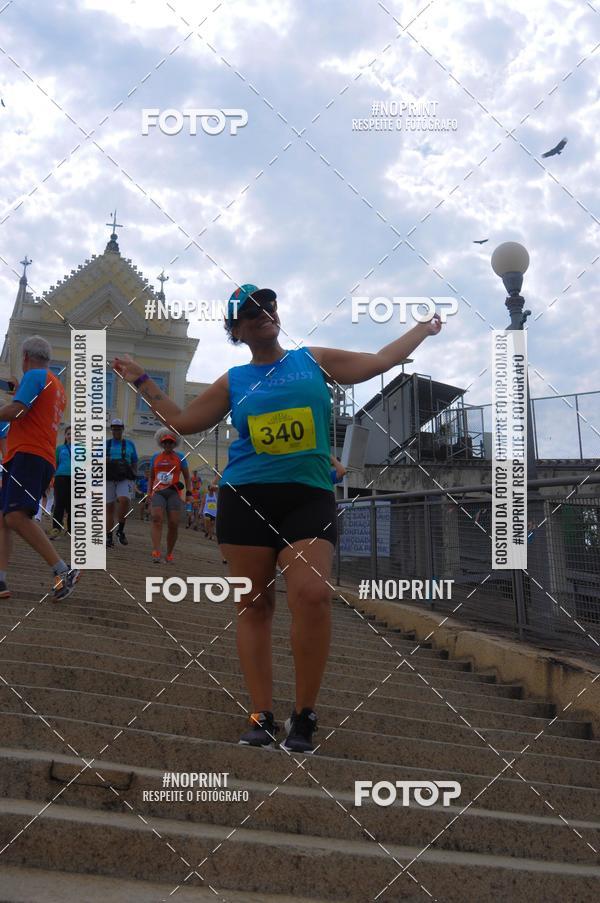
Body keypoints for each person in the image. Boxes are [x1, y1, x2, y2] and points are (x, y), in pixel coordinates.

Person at [113, 284, 442, 753]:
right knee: (254, 607)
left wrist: (422, 330)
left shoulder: (313, 359)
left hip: (307, 495)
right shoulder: (234, 380)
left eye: (267, 306)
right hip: (245, 496)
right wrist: (141, 380)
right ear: (237, 330)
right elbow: (183, 421)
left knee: (311, 595)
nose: (262, 314)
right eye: (249, 313)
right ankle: (261, 715)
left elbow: (380, 361)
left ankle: (304, 714)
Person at [0, 336, 80, 600]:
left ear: (25, 357)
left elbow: (19, 412)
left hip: (28, 454)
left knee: (15, 517)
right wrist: (18, 389)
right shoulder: (55, 385)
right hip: (36, 456)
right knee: (3, 519)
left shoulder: (34, 376)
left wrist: (12, 399)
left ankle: (62, 568)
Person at [148, 428, 192, 563]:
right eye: (165, 442)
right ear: (162, 443)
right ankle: (156, 551)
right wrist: (149, 493)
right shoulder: (155, 457)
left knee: (173, 523)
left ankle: (169, 553)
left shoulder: (180, 457)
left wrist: (189, 493)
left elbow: (187, 477)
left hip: (173, 492)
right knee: (157, 518)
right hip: (158, 492)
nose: (168, 445)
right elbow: (151, 476)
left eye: (170, 443)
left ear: (174, 444)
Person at [106, 418, 138, 548]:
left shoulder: (129, 444)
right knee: (109, 508)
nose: (116, 431)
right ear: (111, 430)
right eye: (114, 429)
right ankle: (109, 536)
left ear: (122, 429)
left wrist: (134, 474)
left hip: (125, 477)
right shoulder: (105, 444)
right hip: (108, 477)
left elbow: (135, 460)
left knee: (124, 500)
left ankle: (120, 529)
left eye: (118, 429)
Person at [50, 425, 72, 538]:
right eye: (68, 433)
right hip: (61, 477)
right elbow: (55, 463)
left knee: (73, 505)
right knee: (59, 504)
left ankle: (71, 530)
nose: (71, 436)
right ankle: (56, 528)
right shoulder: (60, 448)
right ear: (65, 436)